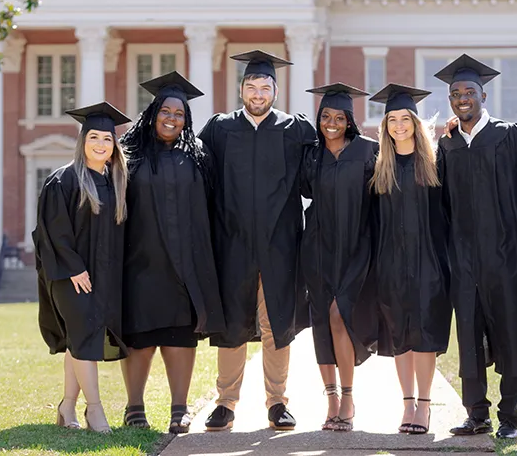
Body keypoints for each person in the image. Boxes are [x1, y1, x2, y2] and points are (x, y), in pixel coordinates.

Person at [198, 49, 317, 432]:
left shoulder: (294, 129)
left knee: (276, 323)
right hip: (231, 244)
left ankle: (277, 402)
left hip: (279, 246)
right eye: (252, 86)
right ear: (241, 89)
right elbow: (195, 170)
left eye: (265, 87)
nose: (258, 93)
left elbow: (328, 161)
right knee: (233, 324)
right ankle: (226, 403)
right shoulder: (219, 129)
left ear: (275, 91)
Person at [432, 55, 517, 441]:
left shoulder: (511, 137)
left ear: (483, 95)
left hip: (506, 257)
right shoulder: (448, 145)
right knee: (469, 338)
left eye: (469, 92)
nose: (463, 98)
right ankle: (476, 414)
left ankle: (510, 415)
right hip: (463, 259)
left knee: (511, 332)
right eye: (456, 93)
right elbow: (439, 204)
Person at [116, 71, 226, 434]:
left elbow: (213, 207)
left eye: (179, 114)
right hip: (140, 261)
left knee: (180, 334)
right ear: (153, 112)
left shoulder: (199, 155)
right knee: (140, 335)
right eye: (166, 111)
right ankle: (135, 408)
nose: (172, 118)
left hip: (186, 263)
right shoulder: (129, 154)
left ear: (187, 119)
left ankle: (180, 408)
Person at [33, 101, 131, 434]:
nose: (101, 144)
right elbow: (53, 232)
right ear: (83, 141)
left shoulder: (115, 182)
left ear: (114, 145)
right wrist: (74, 268)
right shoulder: (63, 181)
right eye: (94, 138)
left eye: (107, 139)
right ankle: (96, 411)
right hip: (70, 276)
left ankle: (66, 408)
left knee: (81, 340)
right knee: (85, 338)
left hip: (102, 276)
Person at [367, 83, 451, 436]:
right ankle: (407, 404)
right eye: (392, 119)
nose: (399, 125)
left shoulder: (435, 161)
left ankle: (426, 405)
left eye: (405, 118)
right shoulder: (379, 167)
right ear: (385, 125)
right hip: (391, 263)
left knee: (425, 334)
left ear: (416, 123)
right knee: (400, 334)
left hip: (430, 261)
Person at [300, 83, 380, 432]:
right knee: (321, 322)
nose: (332, 123)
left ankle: (348, 398)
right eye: (326, 116)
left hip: (355, 247)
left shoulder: (368, 151)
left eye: (339, 117)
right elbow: (304, 190)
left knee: (339, 316)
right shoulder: (312, 155)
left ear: (350, 120)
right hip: (317, 247)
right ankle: (331, 400)